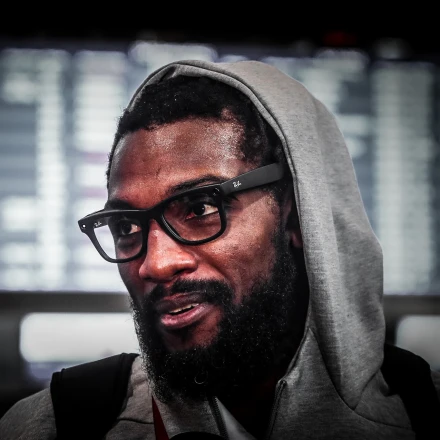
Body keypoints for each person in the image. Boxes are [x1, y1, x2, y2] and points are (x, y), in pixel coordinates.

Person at [1, 59, 439, 439]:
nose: (156, 263)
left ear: (297, 213)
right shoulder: (58, 424)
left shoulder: (423, 413)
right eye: (127, 226)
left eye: (200, 207)